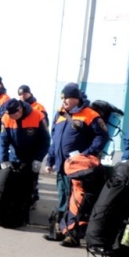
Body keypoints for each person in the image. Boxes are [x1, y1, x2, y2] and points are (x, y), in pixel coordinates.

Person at [45, 82, 108, 244]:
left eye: (67, 98)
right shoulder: (59, 115)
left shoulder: (90, 114)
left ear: (76, 99)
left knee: (76, 201)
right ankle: (60, 230)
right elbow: (55, 141)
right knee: (63, 199)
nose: (64, 101)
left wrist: (86, 154)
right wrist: (50, 160)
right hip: (61, 165)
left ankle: (73, 235)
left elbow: (101, 137)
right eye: (63, 98)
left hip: (78, 168)